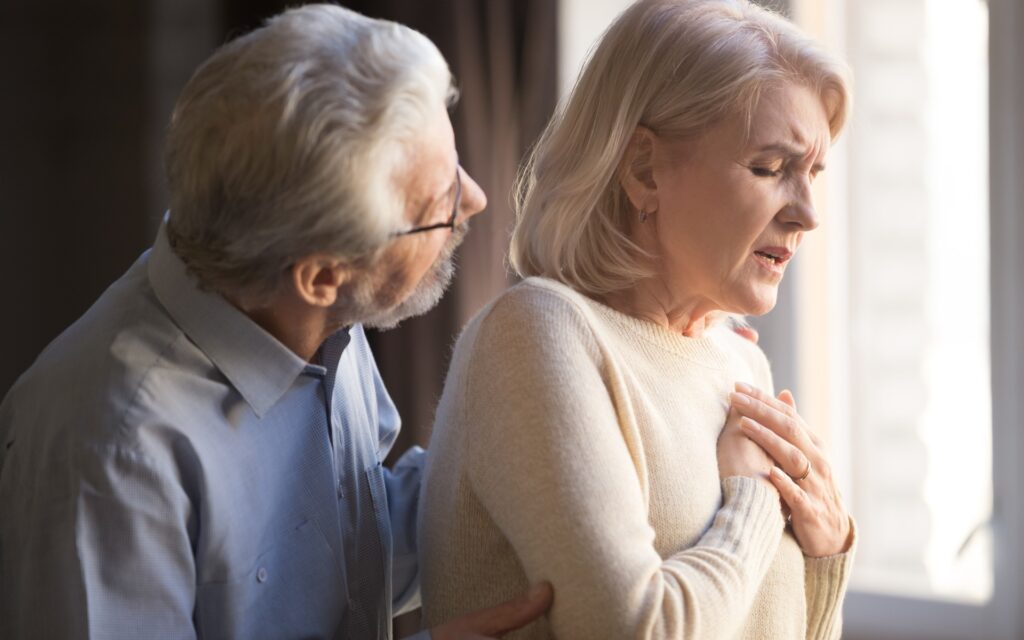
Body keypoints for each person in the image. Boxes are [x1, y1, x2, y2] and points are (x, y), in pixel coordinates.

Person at [0, 5, 553, 639]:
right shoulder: (111, 456)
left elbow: (351, 558)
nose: (477, 199)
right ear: (320, 275)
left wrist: (526, 448)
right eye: (441, 203)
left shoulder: (314, 317)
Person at [419, 0, 856, 638]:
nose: (808, 213)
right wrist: (756, 500)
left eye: (813, 172)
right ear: (642, 169)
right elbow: (635, 629)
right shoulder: (539, 333)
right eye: (768, 168)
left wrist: (827, 551)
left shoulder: (741, 361)